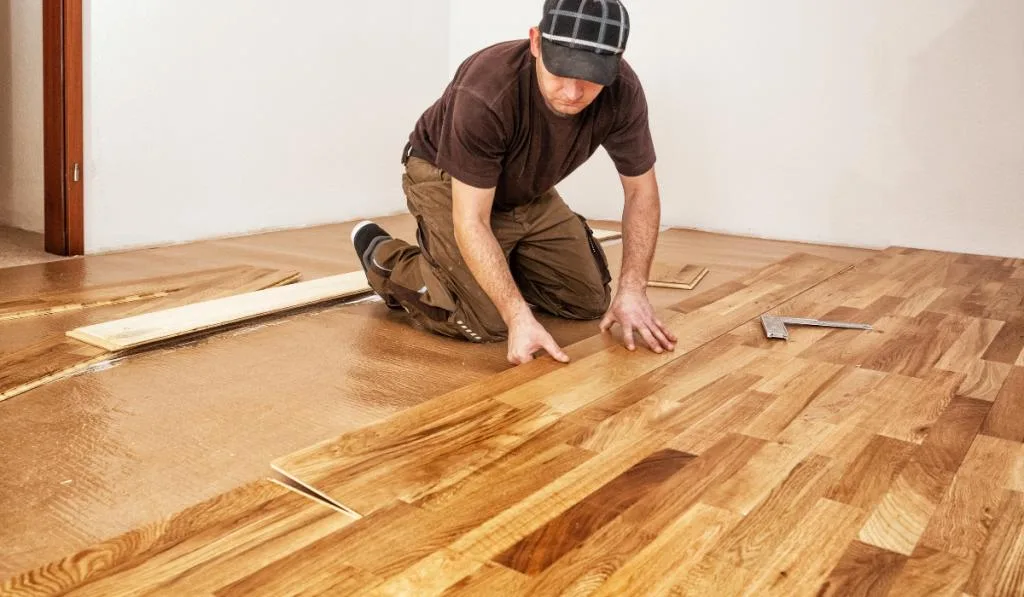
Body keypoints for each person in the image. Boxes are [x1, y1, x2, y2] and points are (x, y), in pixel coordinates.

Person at [351, 0, 676, 365]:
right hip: (445, 175)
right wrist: (517, 315)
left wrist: (633, 289)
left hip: (524, 186)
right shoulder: (486, 91)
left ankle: (496, 266)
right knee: (484, 322)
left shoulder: (623, 91)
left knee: (587, 301)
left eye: (589, 77)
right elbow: (471, 220)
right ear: (536, 42)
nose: (572, 93)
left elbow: (641, 192)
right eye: (560, 72)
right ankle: (384, 257)